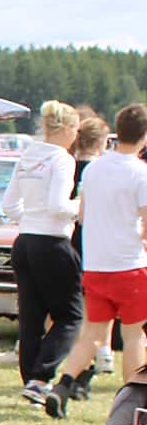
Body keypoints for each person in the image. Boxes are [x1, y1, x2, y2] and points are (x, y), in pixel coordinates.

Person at [52, 103, 147, 404]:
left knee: (92, 333)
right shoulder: (140, 173)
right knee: (134, 336)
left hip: (96, 265)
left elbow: (83, 212)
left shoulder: (94, 169)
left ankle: (63, 384)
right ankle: (134, 398)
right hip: (130, 264)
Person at [4, 100, 82, 413]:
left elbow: (9, 205)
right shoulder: (61, 159)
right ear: (64, 129)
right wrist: (81, 206)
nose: (76, 135)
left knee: (31, 317)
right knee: (71, 315)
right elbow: (58, 205)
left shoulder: (27, 156)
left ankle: (31, 381)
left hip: (24, 241)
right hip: (52, 241)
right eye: (75, 128)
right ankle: (41, 376)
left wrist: (30, 218)